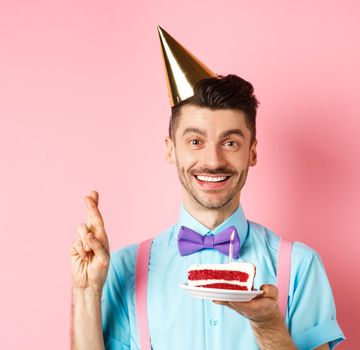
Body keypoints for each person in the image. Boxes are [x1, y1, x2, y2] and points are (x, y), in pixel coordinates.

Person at [70, 26, 345, 350]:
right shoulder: (124, 268)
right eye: (195, 141)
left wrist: (269, 327)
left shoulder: (300, 266)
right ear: (171, 149)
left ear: (252, 152)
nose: (212, 160)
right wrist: (86, 292)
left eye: (229, 142)